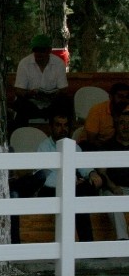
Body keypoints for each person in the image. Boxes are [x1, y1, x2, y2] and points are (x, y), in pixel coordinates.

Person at [34, 111, 102, 242]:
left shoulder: (73, 145)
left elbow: (84, 167)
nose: (62, 129)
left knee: (87, 188)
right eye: (58, 125)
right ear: (51, 127)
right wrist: (68, 182)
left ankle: (87, 246)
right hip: (51, 190)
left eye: (65, 125)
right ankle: (87, 243)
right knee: (79, 195)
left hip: (72, 189)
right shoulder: (44, 147)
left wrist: (92, 174)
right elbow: (44, 178)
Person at [12, 34, 69, 130]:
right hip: (31, 103)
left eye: (42, 50)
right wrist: (28, 93)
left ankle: (63, 135)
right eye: (36, 50)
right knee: (20, 105)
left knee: (66, 103)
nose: (39, 54)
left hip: (51, 104)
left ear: (49, 51)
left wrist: (55, 94)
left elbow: (64, 89)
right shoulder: (24, 63)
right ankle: (19, 136)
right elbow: (18, 90)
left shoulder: (58, 63)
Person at [97, 107, 129, 241]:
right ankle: (123, 242)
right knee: (113, 202)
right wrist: (113, 186)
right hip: (111, 189)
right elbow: (101, 171)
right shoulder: (107, 146)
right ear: (116, 124)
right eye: (122, 123)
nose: (125, 127)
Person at [82, 82, 129, 150]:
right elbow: (91, 140)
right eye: (120, 96)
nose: (124, 100)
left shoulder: (127, 108)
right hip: (94, 146)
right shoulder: (97, 110)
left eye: (127, 97)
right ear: (111, 97)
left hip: (118, 145)